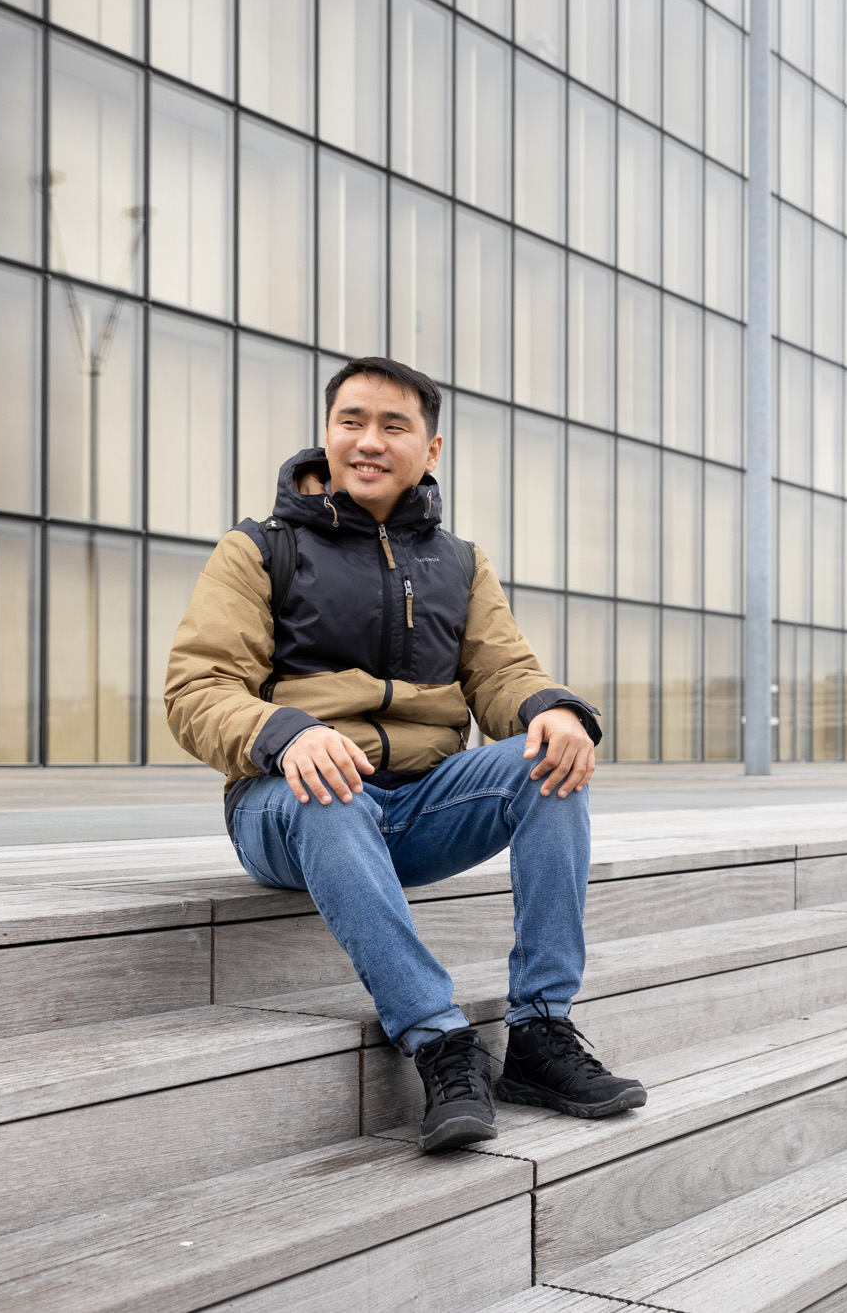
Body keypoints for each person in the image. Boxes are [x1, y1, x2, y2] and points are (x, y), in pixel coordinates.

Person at [164, 355, 645, 1155]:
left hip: (419, 805)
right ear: (327, 434)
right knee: (331, 787)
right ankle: (438, 1039)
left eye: (394, 425)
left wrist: (552, 708)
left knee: (549, 759)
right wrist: (287, 734)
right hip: (287, 802)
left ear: (432, 448)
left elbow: (502, 672)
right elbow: (198, 688)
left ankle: (539, 1031)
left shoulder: (459, 562)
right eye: (352, 421)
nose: (369, 440)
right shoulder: (260, 549)